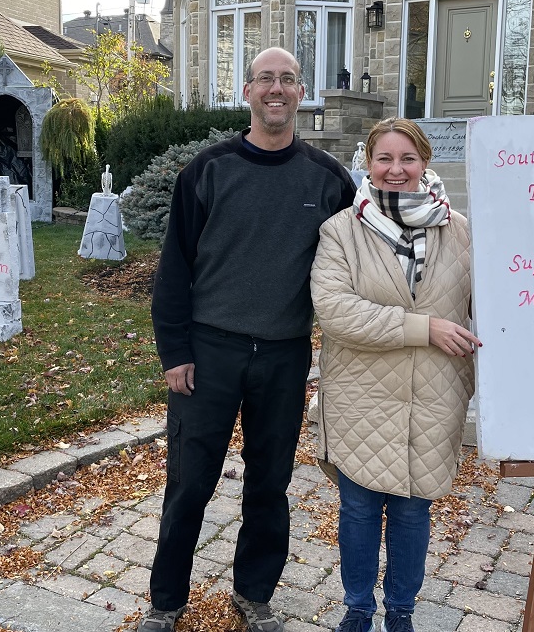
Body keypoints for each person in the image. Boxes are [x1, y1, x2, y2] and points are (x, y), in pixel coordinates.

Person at [140, 47, 356, 632]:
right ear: (247, 91)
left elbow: (361, 259)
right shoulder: (207, 171)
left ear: (301, 92)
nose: (276, 89)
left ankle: (253, 594)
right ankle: (166, 602)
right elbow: (174, 270)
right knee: (189, 482)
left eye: (287, 79)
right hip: (210, 353)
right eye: (266, 79)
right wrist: (175, 352)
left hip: (285, 355)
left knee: (270, 482)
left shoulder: (330, 180)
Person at [310, 118, 481, 632]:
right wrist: (423, 328)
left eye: (407, 158)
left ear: (424, 162)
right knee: (359, 512)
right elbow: (335, 310)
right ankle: (358, 609)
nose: (395, 169)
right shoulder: (342, 230)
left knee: (411, 515)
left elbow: (491, 303)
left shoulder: (462, 230)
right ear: (368, 164)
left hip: (435, 393)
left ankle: (401, 612)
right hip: (361, 394)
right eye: (384, 159)